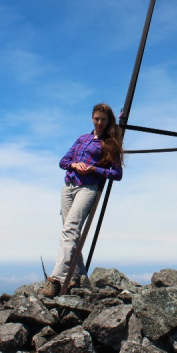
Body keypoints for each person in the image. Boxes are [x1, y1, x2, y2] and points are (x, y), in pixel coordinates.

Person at [40, 103, 124, 297]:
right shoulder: (82, 139)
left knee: (70, 230)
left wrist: (94, 169)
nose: (99, 122)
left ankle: (56, 279)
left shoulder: (110, 143)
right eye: (96, 118)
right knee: (71, 234)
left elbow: (117, 174)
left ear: (108, 120)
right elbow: (63, 162)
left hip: (87, 188)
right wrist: (74, 164)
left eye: (103, 119)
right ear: (92, 118)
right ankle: (81, 278)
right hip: (68, 185)